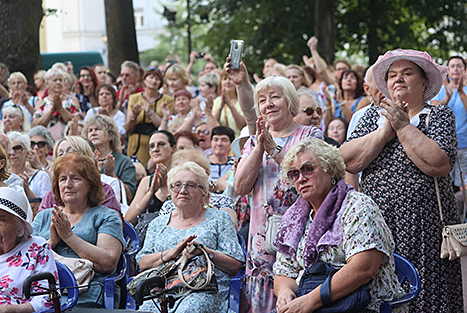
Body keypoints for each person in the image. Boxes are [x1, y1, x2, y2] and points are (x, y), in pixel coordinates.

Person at [341, 48, 463, 311]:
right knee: (383, 297)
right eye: (393, 75)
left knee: (429, 297)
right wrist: (383, 133)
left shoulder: (439, 116)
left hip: (426, 228)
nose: (398, 79)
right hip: (378, 227)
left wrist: (403, 127)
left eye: (407, 73)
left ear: (424, 82)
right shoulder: (372, 117)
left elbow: (439, 164)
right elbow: (348, 161)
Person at [273, 138, 404, 313]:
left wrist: (311, 301)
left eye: (307, 169)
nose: (301, 179)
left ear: (331, 170)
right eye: (294, 174)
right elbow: (284, 271)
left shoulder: (358, 206)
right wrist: (285, 293)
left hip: (364, 304)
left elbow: (363, 269)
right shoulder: (293, 217)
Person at [233, 76, 323, 312]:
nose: (268, 104)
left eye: (275, 97)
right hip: (262, 241)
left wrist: (273, 149)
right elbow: (240, 187)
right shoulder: (254, 141)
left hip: (301, 233)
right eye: (262, 100)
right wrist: (260, 147)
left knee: (297, 295)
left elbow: (307, 175)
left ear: (290, 102)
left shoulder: (310, 134)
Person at [136, 161, 244, 312]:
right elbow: (142, 263)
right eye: (177, 185)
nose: (183, 190)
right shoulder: (157, 224)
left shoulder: (220, 219)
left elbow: (235, 265)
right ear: (170, 191)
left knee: (191, 309)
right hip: (162, 292)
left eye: (191, 185)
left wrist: (205, 251)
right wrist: (170, 253)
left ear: (204, 193)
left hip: (203, 291)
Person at [32, 153, 125, 308]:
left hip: (86, 297)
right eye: (63, 179)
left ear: (90, 185)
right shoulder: (43, 216)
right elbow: (25, 260)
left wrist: (69, 237)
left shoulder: (106, 216)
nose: (68, 184)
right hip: (41, 295)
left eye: (75, 178)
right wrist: (51, 243)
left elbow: (107, 263)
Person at [0, 187, 58, 312]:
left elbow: (47, 299)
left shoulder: (36, 248)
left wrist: (13, 310)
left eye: (2, 219)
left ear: (20, 229)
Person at [38, 136, 122, 215]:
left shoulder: (105, 191)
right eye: (60, 154)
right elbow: (38, 227)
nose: (65, 157)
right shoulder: (51, 195)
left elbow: (113, 226)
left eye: (70, 152)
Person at [430, 56, 467, 187]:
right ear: (448, 71)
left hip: (465, 146)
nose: (456, 69)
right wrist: (447, 97)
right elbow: (433, 112)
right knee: (445, 185)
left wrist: (461, 92)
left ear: (464, 70)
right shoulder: (441, 89)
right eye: (452, 66)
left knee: (464, 186)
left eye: (459, 66)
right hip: (444, 147)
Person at [125, 130, 176, 227]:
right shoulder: (147, 181)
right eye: (151, 146)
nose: (155, 149)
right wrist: (151, 192)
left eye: (161, 144)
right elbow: (128, 220)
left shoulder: (182, 177)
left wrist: (165, 189)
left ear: (173, 149)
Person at [83, 114, 137, 201]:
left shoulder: (124, 161)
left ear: (111, 136)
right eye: (90, 130)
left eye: (98, 129)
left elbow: (129, 196)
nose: (93, 133)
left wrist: (112, 176)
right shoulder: (84, 160)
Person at [126, 68, 174, 165]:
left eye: (157, 79)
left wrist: (150, 111)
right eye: (151, 78)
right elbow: (127, 128)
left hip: (157, 142)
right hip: (136, 142)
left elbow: (164, 127)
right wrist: (134, 116)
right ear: (144, 80)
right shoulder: (134, 98)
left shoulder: (167, 100)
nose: (153, 81)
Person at [32, 68, 81, 141]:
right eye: (55, 80)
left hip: (68, 142)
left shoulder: (72, 100)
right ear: (47, 84)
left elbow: (77, 120)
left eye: (60, 80)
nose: (58, 82)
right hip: (48, 144)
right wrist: (51, 111)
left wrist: (60, 108)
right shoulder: (41, 102)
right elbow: (35, 124)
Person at [7, 131, 52, 208]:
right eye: (9, 149)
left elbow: (46, 207)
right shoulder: (2, 177)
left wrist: (27, 189)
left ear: (28, 153)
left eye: (17, 148)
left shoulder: (41, 176)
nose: (12, 152)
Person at [212, 70, 246, 137]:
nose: (227, 82)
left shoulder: (243, 101)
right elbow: (213, 125)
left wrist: (230, 105)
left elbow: (242, 126)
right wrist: (220, 107)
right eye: (224, 79)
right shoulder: (217, 101)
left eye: (230, 79)